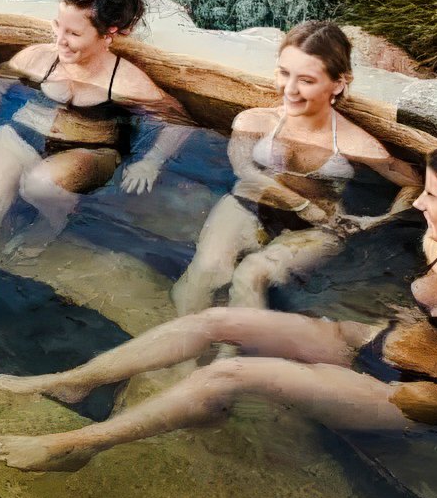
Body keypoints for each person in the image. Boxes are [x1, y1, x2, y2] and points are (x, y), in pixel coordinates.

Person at [0, 139, 437, 497]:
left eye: (434, 196)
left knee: (230, 376)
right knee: (214, 324)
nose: (419, 200)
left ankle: (76, 446)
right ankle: (78, 378)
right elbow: (422, 290)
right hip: (377, 341)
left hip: (420, 392)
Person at [0, 0, 195, 351]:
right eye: (58, 26)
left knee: (37, 184)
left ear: (110, 34)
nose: (60, 40)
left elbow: (179, 121)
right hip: (23, 133)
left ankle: (53, 220)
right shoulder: (39, 57)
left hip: (89, 150)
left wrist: (151, 161)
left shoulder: (126, 81)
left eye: (74, 34)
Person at [174, 19, 421, 315]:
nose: (289, 89)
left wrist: (379, 222)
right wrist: (302, 204)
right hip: (251, 201)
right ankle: (182, 353)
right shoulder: (254, 122)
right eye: (284, 72)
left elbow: (413, 181)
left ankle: (230, 356)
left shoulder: (356, 143)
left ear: (338, 83)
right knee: (207, 269)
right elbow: (246, 172)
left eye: (306, 80)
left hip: (321, 223)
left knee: (253, 273)